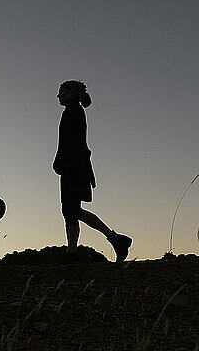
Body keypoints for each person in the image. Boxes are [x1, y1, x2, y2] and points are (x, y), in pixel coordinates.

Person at [53, 80, 132, 262]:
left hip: (74, 168)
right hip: (72, 167)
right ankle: (77, 250)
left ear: (72, 93)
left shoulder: (74, 112)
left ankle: (112, 240)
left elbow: (74, 143)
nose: (59, 96)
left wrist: (61, 160)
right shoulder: (72, 112)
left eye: (62, 92)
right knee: (70, 210)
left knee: (71, 209)